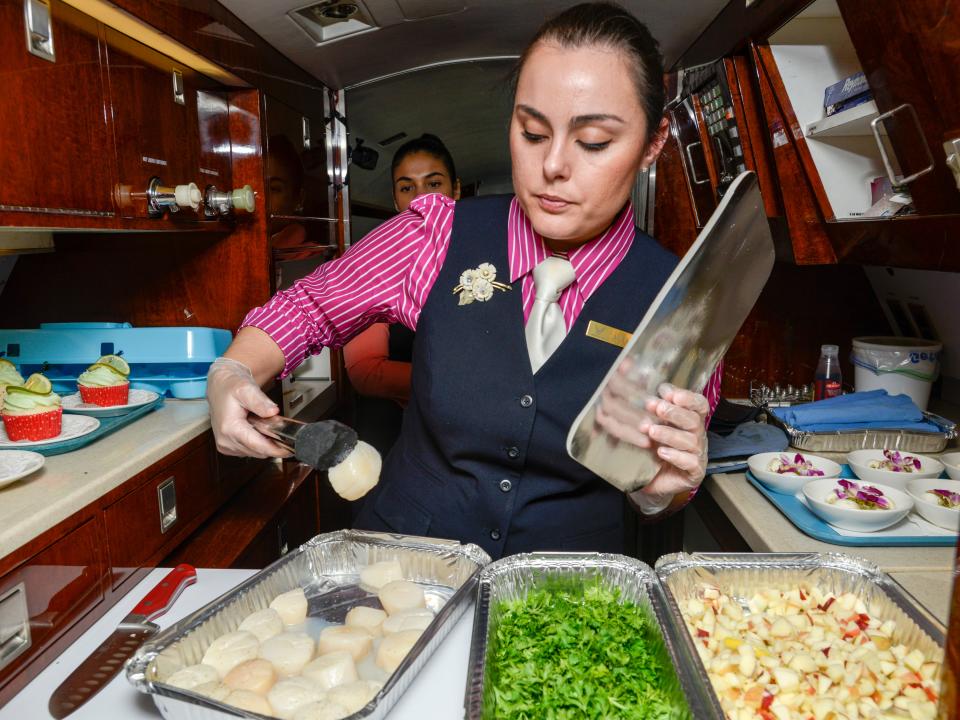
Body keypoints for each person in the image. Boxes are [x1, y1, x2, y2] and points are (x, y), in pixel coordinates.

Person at [207, 2, 722, 560]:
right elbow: (310, 305)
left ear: (653, 143)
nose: (553, 165)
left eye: (593, 142)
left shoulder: (683, 300)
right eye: (531, 132)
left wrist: (664, 491)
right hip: (406, 560)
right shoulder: (436, 232)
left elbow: (657, 489)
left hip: (565, 590)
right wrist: (231, 371)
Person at [343, 135, 460, 456]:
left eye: (434, 184)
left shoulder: (486, 258)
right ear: (395, 200)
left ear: (456, 190)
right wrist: (459, 382)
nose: (421, 199)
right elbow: (366, 372)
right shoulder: (373, 265)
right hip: (394, 432)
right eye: (407, 188)